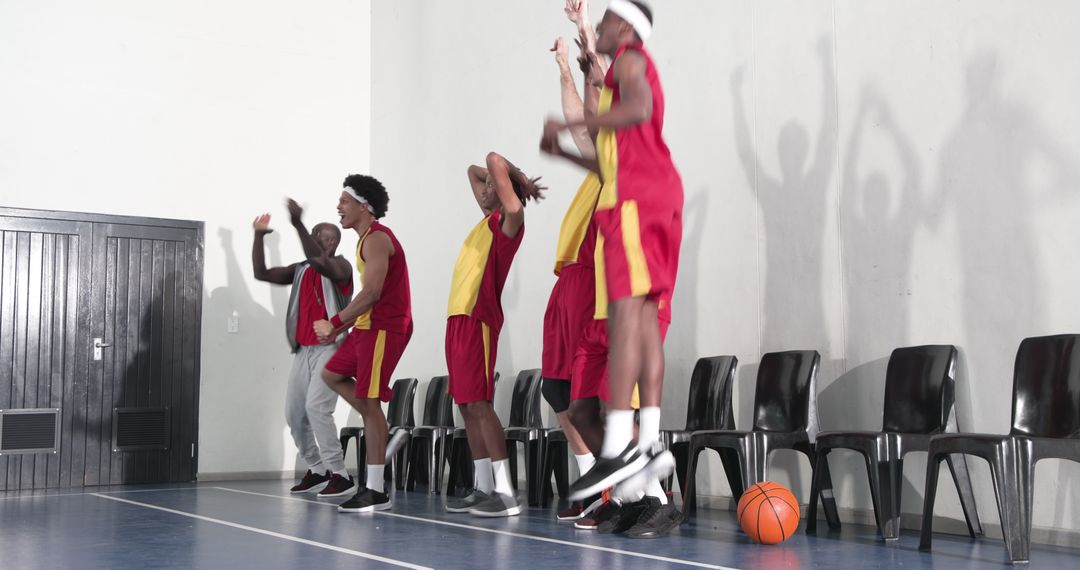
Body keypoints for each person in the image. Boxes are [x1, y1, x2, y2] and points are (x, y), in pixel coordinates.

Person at [540, 0, 682, 532]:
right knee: (577, 410)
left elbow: (608, 96)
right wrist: (573, 53)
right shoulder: (605, 164)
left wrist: (582, 44)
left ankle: (654, 486)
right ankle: (628, 484)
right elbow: (588, 119)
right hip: (596, 299)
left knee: (635, 370)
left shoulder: (630, 80)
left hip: (626, 278)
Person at [443, 152, 544, 517]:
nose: (483, 187)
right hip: (457, 317)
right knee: (466, 406)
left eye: (491, 185)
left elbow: (490, 159)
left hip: (478, 319)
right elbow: (472, 170)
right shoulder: (486, 220)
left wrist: (518, 180)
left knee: (481, 404)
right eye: (485, 185)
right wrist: (497, 182)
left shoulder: (508, 221)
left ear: (505, 193)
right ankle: (483, 486)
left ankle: (505, 492)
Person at [542, 0, 606, 523]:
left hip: (593, 281)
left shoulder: (620, 156)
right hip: (566, 278)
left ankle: (615, 487)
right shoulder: (595, 163)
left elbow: (595, 96)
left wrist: (584, 32)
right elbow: (577, 115)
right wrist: (564, 67)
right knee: (555, 389)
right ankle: (591, 480)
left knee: (588, 392)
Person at [314, 175, 413, 513]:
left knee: (370, 402)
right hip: (367, 328)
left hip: (385, 328)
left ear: (364, 206)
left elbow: (371, 293)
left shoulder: (377, 239)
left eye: (344, 201)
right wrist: (345, 327)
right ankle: (382, 435)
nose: (338, 207)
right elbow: (367, 295)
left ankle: (375, 491)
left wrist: (336, 323)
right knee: (331, 375)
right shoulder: (364, 241)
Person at [251, 200, 354, 499]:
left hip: (330, 347)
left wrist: (297, 222)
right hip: (303, 350)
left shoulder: (341, 267)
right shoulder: (301, 269)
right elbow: (261, 272)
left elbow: (321, 262)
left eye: (318, 233)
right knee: (294, 413)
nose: (312, 236)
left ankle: (340, 474)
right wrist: (259, 236)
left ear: (332, 241)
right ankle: (318, 469)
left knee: (317, 408)